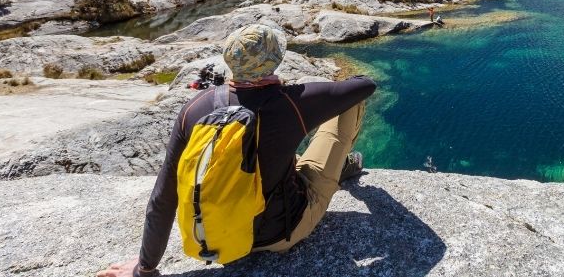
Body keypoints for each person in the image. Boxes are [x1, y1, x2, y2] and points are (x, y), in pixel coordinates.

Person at [97, 24, 376, 277]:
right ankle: (337, 168)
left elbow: (163, 196)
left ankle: (335, 166)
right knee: (347, 105)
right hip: (283, 234)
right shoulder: (292, 104)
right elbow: (364, 86)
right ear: (275, 60)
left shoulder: (194, 109)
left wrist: (144, 267)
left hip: (220, 241)